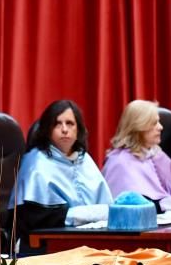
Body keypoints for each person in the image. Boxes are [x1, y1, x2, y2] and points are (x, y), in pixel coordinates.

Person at [11, 99, 112, 240]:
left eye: (70, 123)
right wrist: (91, 214)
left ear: (78, 129)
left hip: (92, 238)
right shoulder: (35, 162)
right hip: (47, 243)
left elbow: (106, 204)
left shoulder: (85, 159)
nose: (64, 129)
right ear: (47, 129)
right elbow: (38, 218)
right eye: (58, 124)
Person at [102, 99, 171, 210]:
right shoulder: (119, 162)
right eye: (154, 123)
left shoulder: (156, 153)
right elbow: (134, 208)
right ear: (139, 126)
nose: (160, 127)